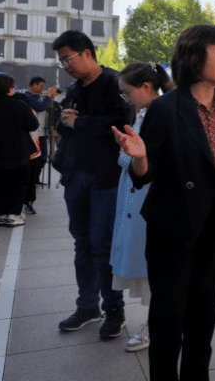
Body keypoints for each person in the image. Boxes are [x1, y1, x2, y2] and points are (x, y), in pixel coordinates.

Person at [113, 24, 215, 381]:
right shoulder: (166, 108)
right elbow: (145, 175)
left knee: (203, 321)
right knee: (168, 324)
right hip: (172, 230)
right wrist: (140, 156)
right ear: (194, 58)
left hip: (212, 229)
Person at [53, 30, 134, 339]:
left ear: (86, 53)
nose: (66, 66)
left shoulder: (115, 83)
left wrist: (80, 122)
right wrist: (65, 120)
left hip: (106, 178)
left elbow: (124, 123)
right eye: (62, 61)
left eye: (68, 59)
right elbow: (65, 127)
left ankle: (114, 310)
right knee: (82, 243)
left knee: (102, 245)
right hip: (76, 176)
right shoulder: (74, 89)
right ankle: (87, 306)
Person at [109, 63, 174, 353]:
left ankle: (155, 327)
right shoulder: (145, 113)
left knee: (152, 270)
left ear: (146, 87)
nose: (126, 99)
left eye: (127, 92)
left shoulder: (159, 114)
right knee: (145, 267)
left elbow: (145, 158)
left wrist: (125, 153)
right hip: (136, 197)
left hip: (148, 200)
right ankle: (154, 325)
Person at [0, 74, 39, 228]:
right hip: (19, 150)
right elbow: (33, 125)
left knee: (0, 182)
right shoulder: (20, 105)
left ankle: (3, 215)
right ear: (10, 88)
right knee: (19, 183)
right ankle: (13, 215)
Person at [25, 76, 57, 186]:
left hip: (42, 132)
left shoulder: (40, 97)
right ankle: (31, 180)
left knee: (43, 157)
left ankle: (36, 179)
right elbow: (40, 107)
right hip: (33, 133)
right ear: (34, 84)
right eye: (41, 86)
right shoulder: (28, 97)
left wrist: (50, 98)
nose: (42, 89)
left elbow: (46, 107)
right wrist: (48, 96)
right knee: (35, 157)